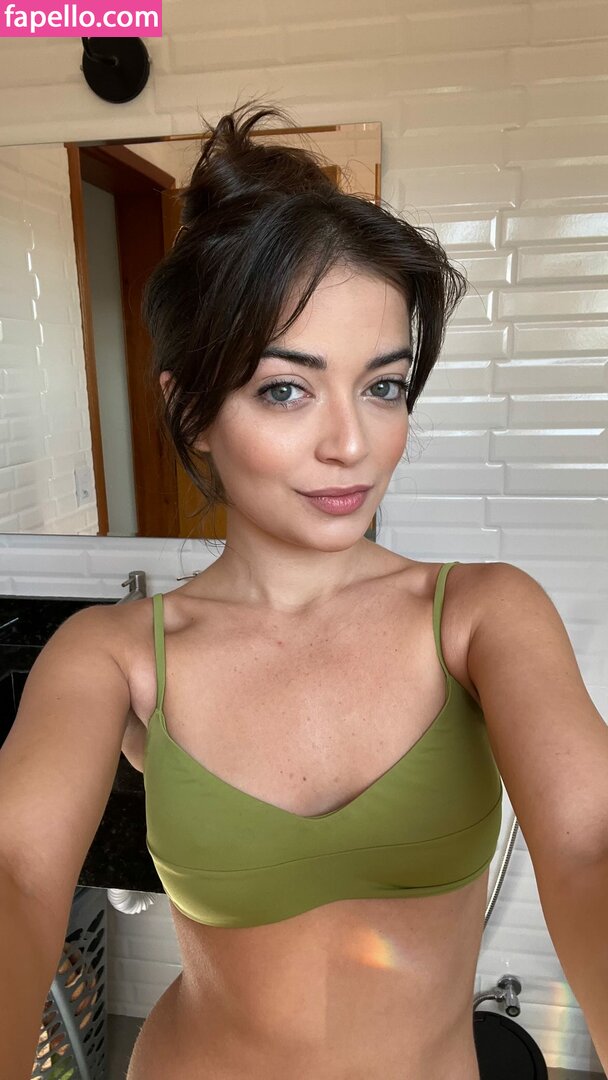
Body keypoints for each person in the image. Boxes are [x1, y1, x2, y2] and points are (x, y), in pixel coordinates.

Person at [2, 101, 606, 1080]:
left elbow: (589, 846)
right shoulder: (112, 655)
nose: (351, 443)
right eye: (285, 388)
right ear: (192, 411)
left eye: (382, 385)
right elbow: (17, 874)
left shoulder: (481, 615)